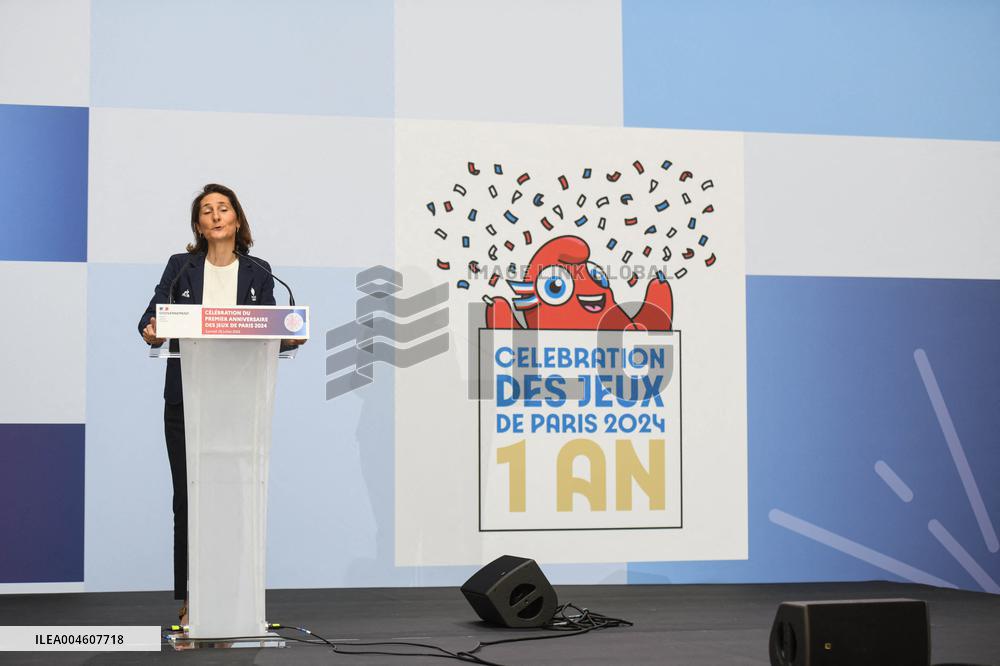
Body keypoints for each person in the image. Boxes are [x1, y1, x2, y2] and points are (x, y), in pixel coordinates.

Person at [137, 183, 302, 624]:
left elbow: (269, 328)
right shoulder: (181, 267)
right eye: (206, 210)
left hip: (240, 404)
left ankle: (235, 597)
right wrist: (153, 329)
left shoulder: (259, 271)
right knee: (189, 500)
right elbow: (151, 317)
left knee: (236, 499)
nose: (214, 215)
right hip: (187, 402)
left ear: (236, 220)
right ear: (198, 225)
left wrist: (286, 337)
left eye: (222, 208)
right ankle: (193, 598)